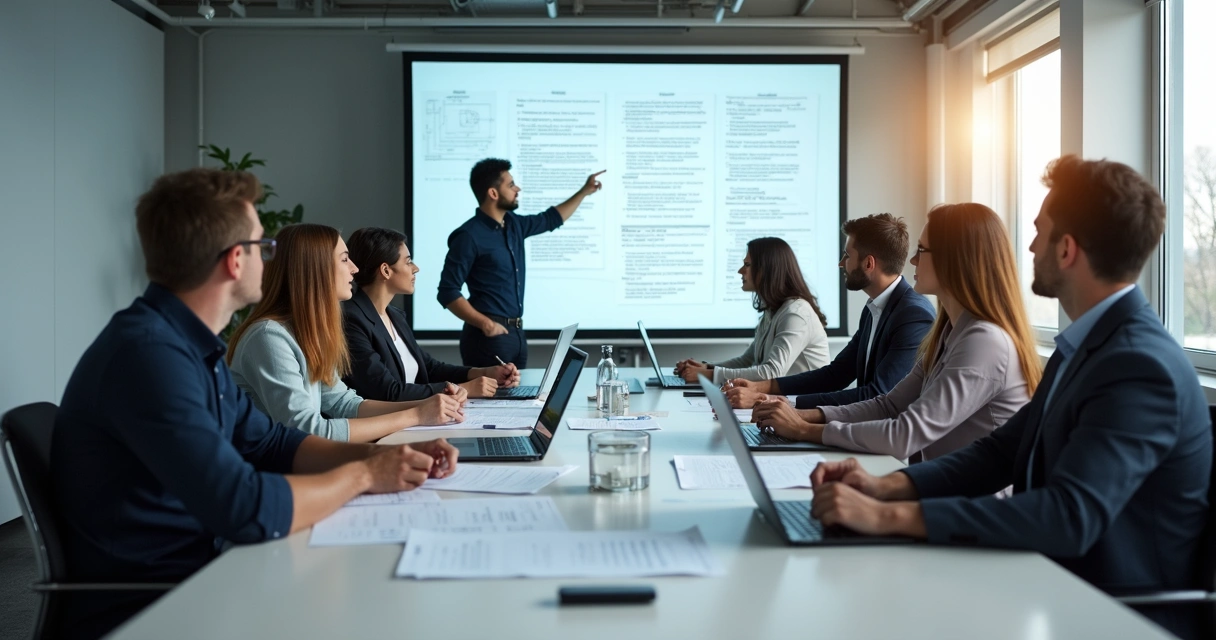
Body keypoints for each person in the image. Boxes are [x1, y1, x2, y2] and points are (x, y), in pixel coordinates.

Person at [806, 156, 1211, 639]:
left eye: (1040, 232)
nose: (1031, 245)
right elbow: (1000, 452)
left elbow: (1068, 515)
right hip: (1046, 580)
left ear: (1066, 251)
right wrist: (886, 487)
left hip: (1108, 613)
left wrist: (889, 516)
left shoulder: (1138, 366)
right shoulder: (1084, 347)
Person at [50, 168, 459, 639]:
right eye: (263, 247)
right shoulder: (149, 357)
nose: (271, 259)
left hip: (205, 572)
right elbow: (243, 505)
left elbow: (274, 442)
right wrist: (366, 475)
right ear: (233, 262)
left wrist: (383, 456)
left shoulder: (188, 346)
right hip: (162, 601)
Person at [752, 204, 1040, 461]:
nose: (913, 261)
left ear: (955, 259)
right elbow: (888, 404)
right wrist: (797, 415)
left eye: (922, 251)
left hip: (973, 508)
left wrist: (803, 429)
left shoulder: (984, 342)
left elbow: (905, 433)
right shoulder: (947, 332)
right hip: (941, 491)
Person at [228, 223, 466, 443]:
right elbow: (307, 430)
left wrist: (427, 406)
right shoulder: (269, 337)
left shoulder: (308, 332)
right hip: (275, 476)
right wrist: (415, 415)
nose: (354, 269)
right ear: (315, 269)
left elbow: (344, 403)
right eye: (344, 260)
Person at [723, 214, 935, 409]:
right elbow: (836, 375)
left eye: (847, 255)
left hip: (890, 444)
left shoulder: (913, 315)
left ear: (868, 263)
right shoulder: (874, 308)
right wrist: (761, 387)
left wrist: (772, 401)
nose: (841, 263)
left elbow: (877, 394)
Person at [438, 158, 605, 368]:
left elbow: (551, 219)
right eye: (510, 185)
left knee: (519, 400)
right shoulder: (468, 236)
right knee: (490, 401)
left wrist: (584, 191)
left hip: (516, 335)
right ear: (493, 193)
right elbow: (447, 291)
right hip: (487, 338)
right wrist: (486, 324)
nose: (517, 189)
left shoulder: (514, 224)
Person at [343, 226, 520, 401]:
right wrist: (463, 389)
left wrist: (483, 372)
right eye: (408, 261)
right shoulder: (352, 319)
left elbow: (429, 368)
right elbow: (387, 391)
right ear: (386, 270)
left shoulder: (395, 315)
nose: (416, 268)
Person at [673, 237, 831, 386]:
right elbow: (747, 361)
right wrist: (706, 368)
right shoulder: (774, 310)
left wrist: (706, 375)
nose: (740, 271)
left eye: (747, 265)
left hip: (804, 405)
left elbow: (771, 372)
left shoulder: (796, 313)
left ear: (767, 270)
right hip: (785, 400)